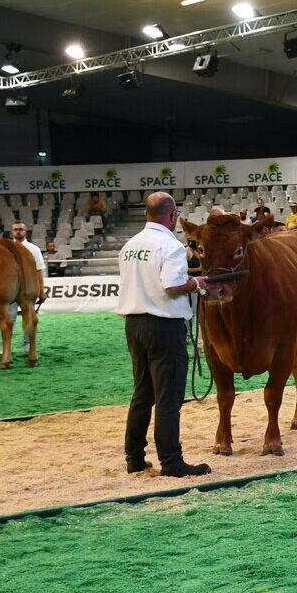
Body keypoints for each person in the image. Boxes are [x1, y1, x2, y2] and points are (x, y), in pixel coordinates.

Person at [116, 192, 212, 477]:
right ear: (171, 216)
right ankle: (171, 461)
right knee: (168, 396)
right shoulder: (170, 246)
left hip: (134, 324)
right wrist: (196, 283)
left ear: (147, 213)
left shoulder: (130, 246)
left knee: (142, 394)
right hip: (164, 326)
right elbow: (171, 286)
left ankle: (134, 458)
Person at [9, 221, 46, 352]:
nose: (18, 231)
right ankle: (6, 345)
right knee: (9, 318)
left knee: (28, 317)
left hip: (28, 290)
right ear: (12, 232)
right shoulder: (6, 249)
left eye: (21, 229)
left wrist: (42, 290)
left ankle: (27, 343)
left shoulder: (34, 249)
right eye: (16, 229)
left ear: (25, 232)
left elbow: (39, 271)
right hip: (11, 290)